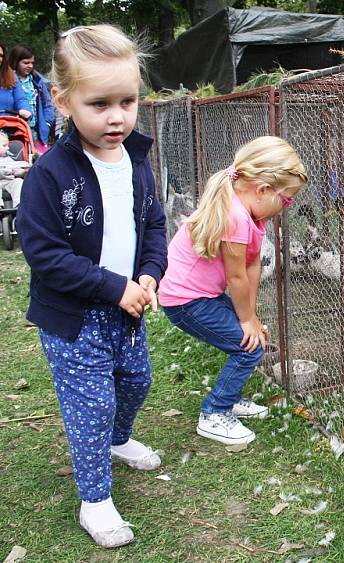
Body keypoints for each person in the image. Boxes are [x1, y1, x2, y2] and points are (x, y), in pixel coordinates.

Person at [16, 25, 167, 549]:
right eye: (99, 103)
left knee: (137, 381)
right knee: (91, 404)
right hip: (74, 316)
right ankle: (95, 500)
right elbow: (45, 255)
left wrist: (149, 273)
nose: (117, 117)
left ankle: (119, 441)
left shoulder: (138, 161)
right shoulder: (49, 176)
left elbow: (153, 226)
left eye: (127, 101)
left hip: (128, 308)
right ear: (62, 101)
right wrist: (112, 286)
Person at [159, 136, 307, 446]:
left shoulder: (253, 214)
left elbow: (252, 266)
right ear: (263, 190)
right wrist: (245, 321)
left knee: (252, 337)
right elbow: (236, 276)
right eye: (287, 198)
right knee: (249, 346)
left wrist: (250, 316)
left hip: (200, 295)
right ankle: (214, 412)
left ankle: (229, 395)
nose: (287, 206)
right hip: (185, 300)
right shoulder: (236, 217)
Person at [10, 44, 54, 155]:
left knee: (40, 161)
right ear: (16, 61)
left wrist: (47, 124)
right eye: (25, 63)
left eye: (32, 63)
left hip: (37, 132)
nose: (30, 66)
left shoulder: (37, 82)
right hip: (16, 132)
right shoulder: (9, 82)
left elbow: (47, 104)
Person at [0, 41, 31, 119]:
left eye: (1, 55)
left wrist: (25, 109)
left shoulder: (10, 75)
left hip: (7, 126)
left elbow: (21, 99)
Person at [0, 130, 30, 206]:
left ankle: (18, 205)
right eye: (4, 146)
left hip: (8, 182)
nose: (7, 148)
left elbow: (15, 170)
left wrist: (23, 172)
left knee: (18, 181)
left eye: (7, 146)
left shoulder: (8, 159)